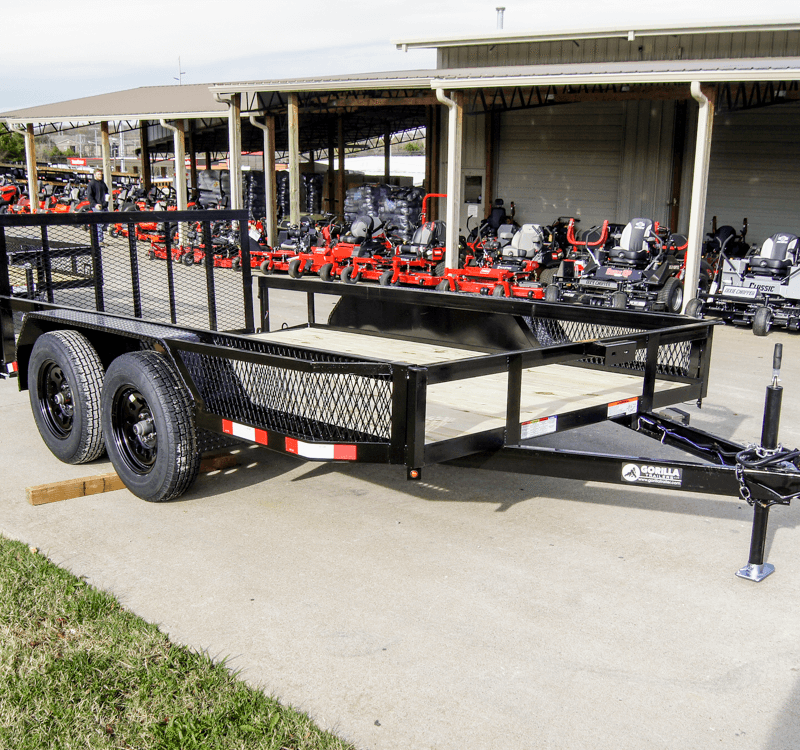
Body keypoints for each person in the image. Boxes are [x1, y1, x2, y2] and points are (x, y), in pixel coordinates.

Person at [86, 169, 108, 244]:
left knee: (106, 222)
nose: (100, 176)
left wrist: (107, 200)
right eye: (98, 174)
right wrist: (95, 205)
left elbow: (106, 193)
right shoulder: (91, 184)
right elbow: (89, 196)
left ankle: (94, 232)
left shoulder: (103, 183)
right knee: (99, 224)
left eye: (101, 174)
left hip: (104, 205)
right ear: (94, 175)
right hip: (97, 206)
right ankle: (100, 240)